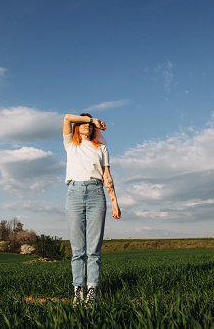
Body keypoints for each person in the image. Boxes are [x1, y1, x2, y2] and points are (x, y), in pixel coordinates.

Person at [63, 113, 121, 307]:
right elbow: (66, 118)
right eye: (83, 123)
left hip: (97, 193)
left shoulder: (102, 148)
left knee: (94, 251)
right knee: (77, 250)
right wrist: (92, 119)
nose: (87, 126)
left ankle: (91, 294)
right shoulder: (71, 144)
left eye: (90, 124)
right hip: (74, 194)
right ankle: (77, 292)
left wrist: (114, 202)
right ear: (77, 126)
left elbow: (107, 176)